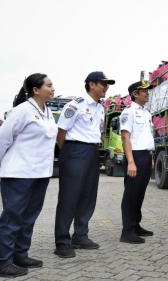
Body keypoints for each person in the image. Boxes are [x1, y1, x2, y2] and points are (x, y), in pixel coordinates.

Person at [0, 74, 57, 277]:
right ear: (36, 90)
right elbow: (2, 137)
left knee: (28, 217)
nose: (53, 88)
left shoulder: (47, 112)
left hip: (40, 173)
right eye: (49, 85)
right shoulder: (22, 111)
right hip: (19, 173)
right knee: (12, 218)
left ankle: (20, 254)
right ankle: (1, 262)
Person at [54, 71, 115, 258]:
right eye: (103, 83)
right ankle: (62, 242)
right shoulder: (75, 105)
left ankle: (80, 235)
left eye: (107, 84)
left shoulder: (100, 108)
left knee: (88, 196)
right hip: (74, 151)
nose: (106, 87)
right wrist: (69, 153)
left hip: (91, 152)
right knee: (69, 198)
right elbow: (61, 132)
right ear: (91, 85)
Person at [119, 80, 155, 244]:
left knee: (140, 194)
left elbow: (147, 137)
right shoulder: (129, 112)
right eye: (144, 91)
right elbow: (126, 137)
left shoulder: (146, 113)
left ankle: (135, 225)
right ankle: (127, 231)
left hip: (146, 156)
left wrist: (151, 157)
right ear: (135, 94)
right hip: (135, 156)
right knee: (131, 194)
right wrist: (131, 162)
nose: (147, 93)